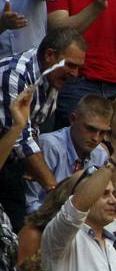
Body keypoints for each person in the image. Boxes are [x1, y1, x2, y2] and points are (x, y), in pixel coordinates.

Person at [0, 27, 87, 232]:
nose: (75, 74)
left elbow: (33, 127)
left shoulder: (51, 76)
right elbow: (21, 137)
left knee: (15, 229)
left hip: (9, 163)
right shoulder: (17, 74)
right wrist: (55, 190)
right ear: (50, 55)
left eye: (78, 67)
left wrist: (34, 168)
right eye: (71, 65)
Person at [30, 92, 110, 213]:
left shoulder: (100, 154)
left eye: (102, 132)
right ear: (73, 119)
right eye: (90, 129)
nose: (96, 138)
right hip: (42, 222)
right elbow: (30, 203)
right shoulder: (50, 146)